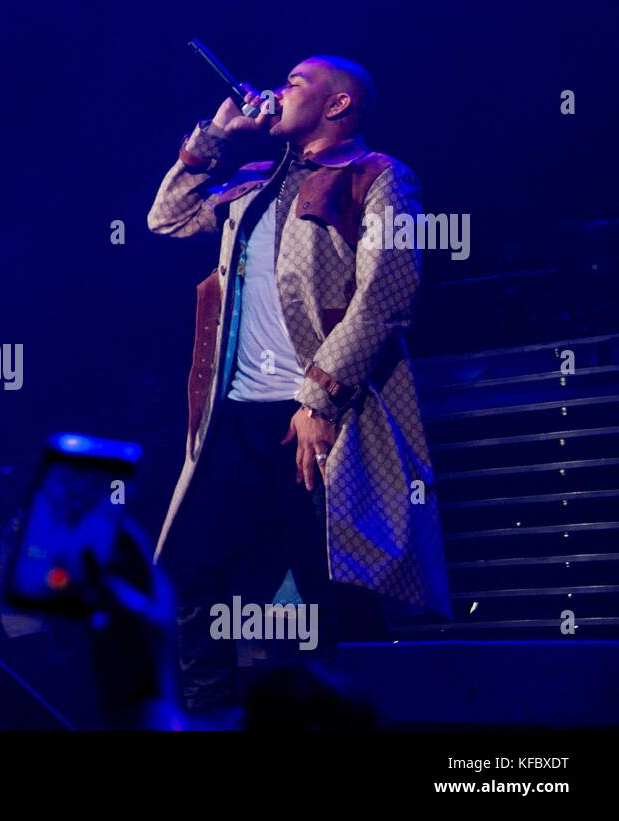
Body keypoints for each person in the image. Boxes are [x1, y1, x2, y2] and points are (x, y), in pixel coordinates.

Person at [147, 56, 450, 713]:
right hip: (233, 417)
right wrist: (215, 138)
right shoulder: (253, 181)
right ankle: (208, 721)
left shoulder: (380, 178)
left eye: (296, 83)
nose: (276, 91)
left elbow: (388, 293)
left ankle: (351, 715)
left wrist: (319, 394)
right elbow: (166, 218)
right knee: (189, 569)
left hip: (320, 415)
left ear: (338, 107)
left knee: (329, 582)